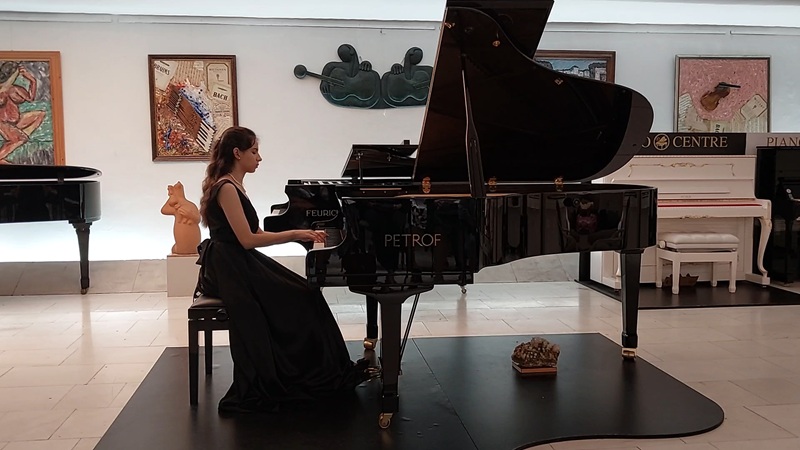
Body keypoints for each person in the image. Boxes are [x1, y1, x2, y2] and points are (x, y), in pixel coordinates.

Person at [195, 126, 371, 413]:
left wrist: (297, 233)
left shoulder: (233, 185)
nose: (259, 158)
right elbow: (248, 239)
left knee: (305, 291)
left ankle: (320, 367)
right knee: (302, 296)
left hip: (237, 261)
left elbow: (253, 234)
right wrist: (295, 234)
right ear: (237, 153)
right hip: (231, 268)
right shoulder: (226, 188)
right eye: (254, 151)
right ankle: (310, 371)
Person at [0, 61, 46, 163]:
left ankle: (19, 137)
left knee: (40, 114)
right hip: (3, 123)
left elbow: (30, 98)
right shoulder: (2, 89)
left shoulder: (14, 89)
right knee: (20, 139)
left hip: (16, 121)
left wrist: (32, 81)